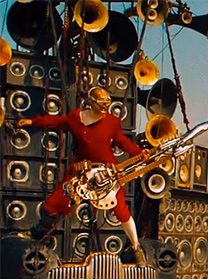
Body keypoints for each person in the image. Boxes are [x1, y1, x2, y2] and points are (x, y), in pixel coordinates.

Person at [16, 86, 149, 264]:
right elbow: (56, 121)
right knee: (55, 203)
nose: (105, 108)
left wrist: (139, 152)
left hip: (106, 172)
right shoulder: (75, 118)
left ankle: (136, 248)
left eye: (106, 105)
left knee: (121, 210)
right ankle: (37, 235)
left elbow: (122, 141)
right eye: (101, 105)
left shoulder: (112, 121)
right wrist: (32, 121)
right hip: (81, 171)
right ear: (91, 103)